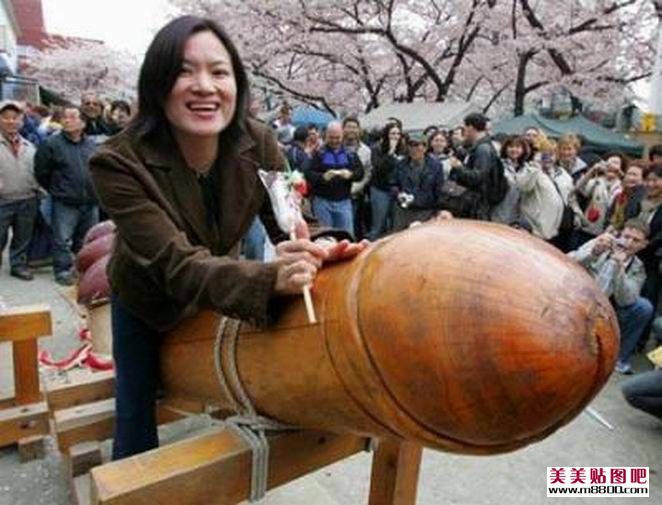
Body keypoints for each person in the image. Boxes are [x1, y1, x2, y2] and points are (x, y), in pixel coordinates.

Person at [89, 16, 366, 460]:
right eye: (184, 71)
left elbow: (290, 219)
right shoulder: (117, 162)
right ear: (156, 84)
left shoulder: (259, 142)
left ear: (237, 85)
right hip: (147, 296)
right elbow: (175, 264)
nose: (205, 86)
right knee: (137, 406)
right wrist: (269, 278)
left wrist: (319, 245)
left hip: (220, 286)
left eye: (219, 72)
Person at [568, 219, 652, 374]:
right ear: (620, 235)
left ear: (644, 245)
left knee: (644, 307)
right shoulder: (601, 243)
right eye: (626, 236)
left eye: (636, 240)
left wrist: (619, 269)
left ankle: (619, 359)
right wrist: (594, 252)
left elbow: (626, 300)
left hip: (610, 310)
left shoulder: (638, 268)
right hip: (580, 296)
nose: (629, 243)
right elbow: (568, 261)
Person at [35, 106, 99, 286]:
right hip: (65, 201)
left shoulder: (91, 144)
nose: (67, 120)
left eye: (72, 117)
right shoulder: (51, 144)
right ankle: (63, 270)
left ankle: (84, 269)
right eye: (64, 117)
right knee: (62, 239)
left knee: (87, 239)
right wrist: (58, 189)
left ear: (83, 123)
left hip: (90, 200)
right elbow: (41, 172)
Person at [0, 100, 39, 280]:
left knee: (23, 237)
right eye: (6, 117)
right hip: (3, 200)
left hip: (27, 198)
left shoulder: (29, 146)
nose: (11, 121)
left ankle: (18, 265)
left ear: (21, 121)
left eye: (15, 118)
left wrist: (38, 190)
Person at [305, 121, 364, 234]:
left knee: (347, 235)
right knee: (325, 236)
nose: (334, 141)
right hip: (322, 202)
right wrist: (322, 177)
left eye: (337, 138)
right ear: (326, 136)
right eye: (331, 138)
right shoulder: (319, 153)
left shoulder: (350, 154)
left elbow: (360, 173)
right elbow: (308, 173)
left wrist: (350, 175)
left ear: (342, 136)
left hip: (344, 202)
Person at [448, 112, 507, 221]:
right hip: (476, 203)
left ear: (470, 127)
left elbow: (477, 177)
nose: (464, 132)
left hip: (477, 205)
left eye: (465, 128)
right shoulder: (479, 147)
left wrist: (459, 167)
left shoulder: (483, 149)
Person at [391, 132, 445, 231]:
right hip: (403, 211)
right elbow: (393, 184)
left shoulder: (435, 166)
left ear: (425, 148)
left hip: (425, 211)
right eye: (410, 145)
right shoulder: (400, 164)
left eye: (416, 145)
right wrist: (398, 194)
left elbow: (439, 191)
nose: (413, 149)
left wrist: (437, 212)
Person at [367, 122, 405, 240]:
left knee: (395, 225)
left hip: (396, 191)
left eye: (398, 134)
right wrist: (390, 152)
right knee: (379, 224)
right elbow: (379, 168)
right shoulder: (376, 149)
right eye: (392, 133)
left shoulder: (403, 150)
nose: (395, 136)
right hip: (380, 189)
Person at [343, 117, 372, 239]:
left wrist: (356, 187)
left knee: (352, 227)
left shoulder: (366, 150)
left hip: (355, 195)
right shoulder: (337, 147)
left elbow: (367, 173)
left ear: (359, 130)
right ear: (343, 129)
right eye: (349, 127)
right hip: (337, 194)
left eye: (354, 127)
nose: (351, 130)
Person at [490, 135, 528, 227]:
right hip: (499, 214)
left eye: (518, 147)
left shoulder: (527, 169)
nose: (514, 149)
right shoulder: (498, 165)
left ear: (523, 150)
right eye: (511, 146)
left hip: (517, 219)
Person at [606, 162, 646, 232]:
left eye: (635, 175)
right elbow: (609, 215)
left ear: (643, 179)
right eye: (628, 174)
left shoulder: (642, 198)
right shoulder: (620, 195)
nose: (630, 177)